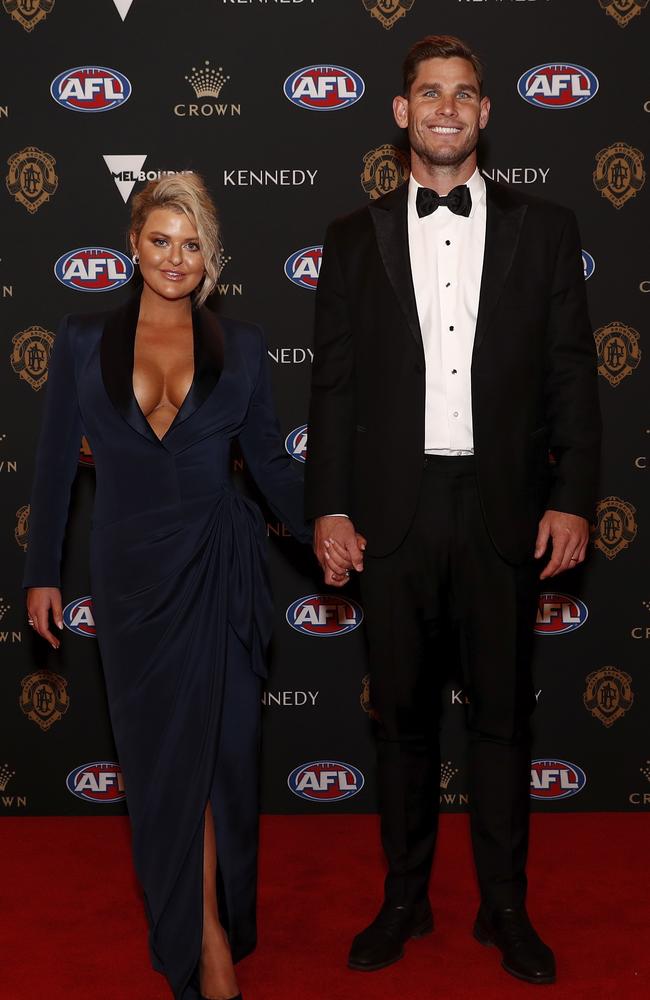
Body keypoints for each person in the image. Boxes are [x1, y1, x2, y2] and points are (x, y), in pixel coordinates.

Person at [305, 35, 601, 987]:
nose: (446, 108)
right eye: (428, 93)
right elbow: (334, 393)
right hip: (392, 513)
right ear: (401, 112)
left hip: (504, 509)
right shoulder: (351, 238)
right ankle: (404, 900)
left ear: (484, 115)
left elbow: (572, 378)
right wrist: (328, 511)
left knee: (505, 721)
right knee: (400, 723)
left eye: (464, 95)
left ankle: (504, 909)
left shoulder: (547, 230)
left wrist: (572, 499)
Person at [24, 174, 314, 1000]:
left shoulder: (243, 347)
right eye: (161, 240)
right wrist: (41, 574)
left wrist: (333, 522)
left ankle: (211, 936)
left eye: (192, 245)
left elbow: (269, 468)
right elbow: (51, 471)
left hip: (218, 567)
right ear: (132, 245)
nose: (176, 259)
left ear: (210, 257)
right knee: (159, 763)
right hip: (130, 580)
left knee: (219, 756)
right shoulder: (82, 339)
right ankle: (196, 929)